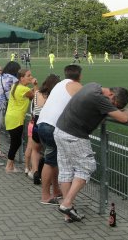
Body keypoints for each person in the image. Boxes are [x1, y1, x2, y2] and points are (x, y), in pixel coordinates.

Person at [55, 83, 128, 222]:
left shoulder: (93, 86)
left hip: (60, 130)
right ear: (111, 95)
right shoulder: (100, 99)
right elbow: (124, 118)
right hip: (74, 135)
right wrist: (126, 111)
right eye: (115, 105)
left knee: (66, 170)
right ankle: (66, 204)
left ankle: (68, 211)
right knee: (87, 167)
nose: (113, 108)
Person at [36, 65, 82, 205]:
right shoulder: (75, 86)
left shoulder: (59, 85)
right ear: (79, 76)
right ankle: (45, 196)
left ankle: (56, 191)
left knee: (54, 160)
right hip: (52, 127)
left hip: (42, 123)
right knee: (50, 162)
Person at [24, 74, 61, 180]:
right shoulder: (54, 96)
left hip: (36, 124)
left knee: (35, 150)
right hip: (48, 125)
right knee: (50, 151)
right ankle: (48, 177)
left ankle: (35, 171)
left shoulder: (36, 94)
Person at [4, 69, 38, 173]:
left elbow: (28, 93)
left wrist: (31, 89)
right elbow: (36, 97)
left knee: (15, 141)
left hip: (10, 117)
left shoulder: (16, 86)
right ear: (21, 78)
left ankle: (10, 164)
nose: (31, 77)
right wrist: (35, 84)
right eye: (28, 75)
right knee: (16, 142)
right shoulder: (23, 89)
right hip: (16, 118)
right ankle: (9, 166)